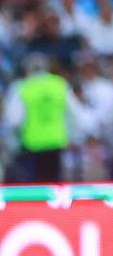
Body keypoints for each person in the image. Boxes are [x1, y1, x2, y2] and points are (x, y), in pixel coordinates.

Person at [4, 55, 74, 183]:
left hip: (33, 143)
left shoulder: (23, 87)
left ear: (27, 70)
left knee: (36, 183)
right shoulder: (59, 84)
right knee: (55, 181)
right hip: (56, 140)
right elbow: (73, 113)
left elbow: (14, 120)